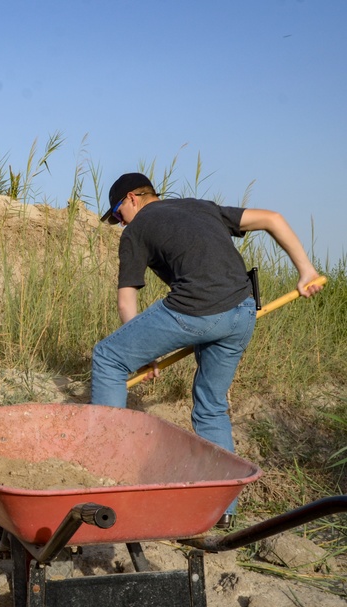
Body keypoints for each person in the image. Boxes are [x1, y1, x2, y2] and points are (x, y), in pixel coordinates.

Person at [90, 172, 323, 527]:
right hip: (243, 311)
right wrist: (305, 270)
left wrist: (141, 356)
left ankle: (104, 478)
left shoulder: (136, 230)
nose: (118, 221)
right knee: (211, 408)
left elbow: (127, 299)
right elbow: (273, 219)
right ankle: (223, 512)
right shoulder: (202, 207)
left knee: (109, 357)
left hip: (196, 308)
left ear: (131, 199)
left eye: (117, 213)